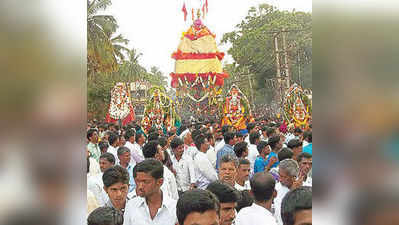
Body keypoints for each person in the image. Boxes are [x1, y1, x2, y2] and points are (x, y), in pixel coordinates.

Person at [123, 159, 178, 225]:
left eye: (145, 182)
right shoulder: (131, 206)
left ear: (160, 182)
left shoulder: (174, 209)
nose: (140, 186)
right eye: (138, 181)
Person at [274, 159, 301, 225]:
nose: (279, 179)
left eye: (282, 176)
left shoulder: (303, 191)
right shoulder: (275, 188)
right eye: (279, 175)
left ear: (293, 177)